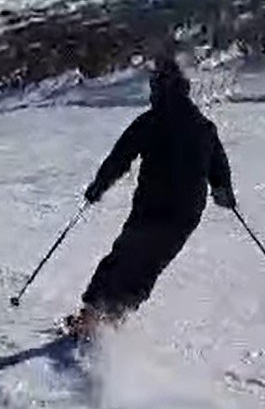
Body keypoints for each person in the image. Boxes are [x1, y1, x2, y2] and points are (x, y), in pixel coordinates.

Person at [66, 53, 235, 337]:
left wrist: (98, 187)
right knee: (148, 265)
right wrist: (224, 194)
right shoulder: (203, 126)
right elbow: (219, 170)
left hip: (153, 208)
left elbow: (119, 158)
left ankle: (93, 316)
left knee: (124, 256)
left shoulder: (151, 121)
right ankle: (114, 318)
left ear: (159, 88)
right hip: (185, 214)